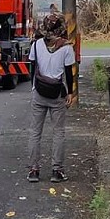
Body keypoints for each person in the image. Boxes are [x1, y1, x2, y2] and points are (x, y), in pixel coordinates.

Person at [27, 13, 75, 183]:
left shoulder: (36, 45)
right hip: (57, 95)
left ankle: (34, 170)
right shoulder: (67, 48)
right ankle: (57, 171)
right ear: (61, 28)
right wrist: (70, 93)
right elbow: (69, 73)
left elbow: (33, 68)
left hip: (39, 93)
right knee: (58, 132)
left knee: (35, 132)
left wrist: (34, 87)